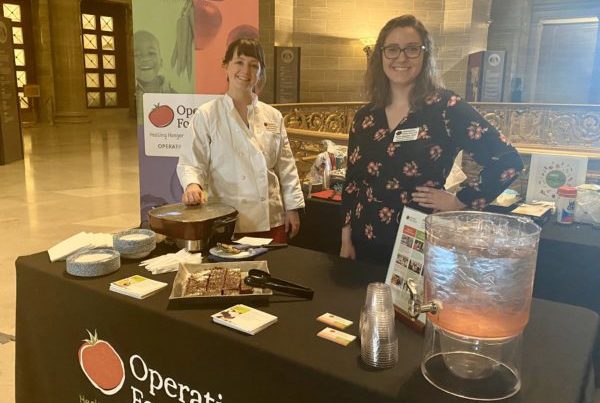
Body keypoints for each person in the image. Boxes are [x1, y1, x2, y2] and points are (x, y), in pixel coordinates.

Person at [340, 15, 524, 264]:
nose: (401, 58)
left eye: (412, 49)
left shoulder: (447, 108)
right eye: (392, 49)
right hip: (364, 241)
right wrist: (345, 237)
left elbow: (508, 161)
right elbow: (353, 182)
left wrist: (460, 200)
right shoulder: (365, 117)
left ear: (425, 55)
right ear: (381, 55)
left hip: (418, 242)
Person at [177, 38, 304, 243]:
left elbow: (286, 168)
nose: (246, 71)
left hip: (271, 219)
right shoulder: (207, 114)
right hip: (228, 222)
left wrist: (292, 207)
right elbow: (191, 161)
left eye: (254, 65)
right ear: (225, 66)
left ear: (261, 72)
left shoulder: (273, 116)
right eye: (239, 62)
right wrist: (192, 185)